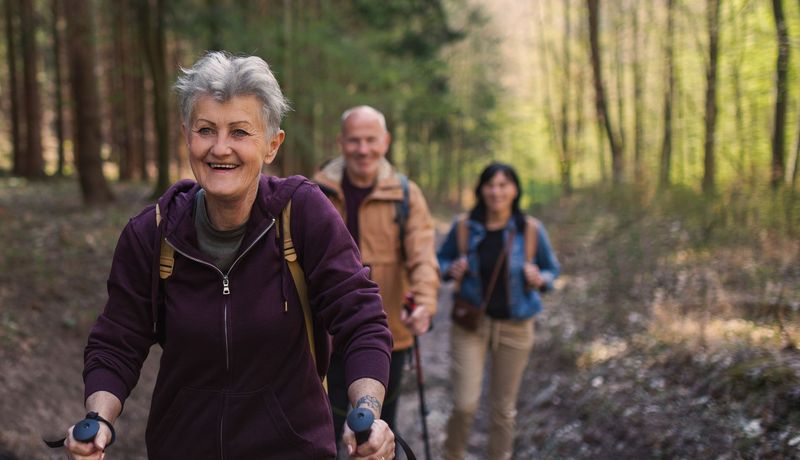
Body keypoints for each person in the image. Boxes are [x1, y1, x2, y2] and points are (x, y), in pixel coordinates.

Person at [61, 52, 395, 460]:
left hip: (292, 450)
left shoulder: (304, 214)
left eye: (240, 132)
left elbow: (361, 320)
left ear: (272, 145)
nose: (221, 148)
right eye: (206, 130)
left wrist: (367, 412)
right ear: (187, 135)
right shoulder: (152, 232)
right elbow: (117, 341)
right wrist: (98, 421)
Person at [313, 106, 440, 447]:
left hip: (387, 336)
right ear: (341, 142)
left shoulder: (405, 194)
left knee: (377, 430)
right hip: (324, 335)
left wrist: (425, 302)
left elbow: (423, 257)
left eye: (371, 140)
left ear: (385, 142)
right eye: (354, 140)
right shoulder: (315, 193)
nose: (363, 149)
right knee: (323, 426)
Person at [437, 162, 560, 460]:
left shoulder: (530, 230)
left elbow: (552, 270)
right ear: (480, 189)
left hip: (516, 328)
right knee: (464, 404)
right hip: (470, 326)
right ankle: (452, 454)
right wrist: (451, 269)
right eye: (490, 184)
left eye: (504, 184)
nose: (497, 191)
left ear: (515, 190)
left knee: (503, 409)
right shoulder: (465, 227)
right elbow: (439, 262)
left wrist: (540, 278)